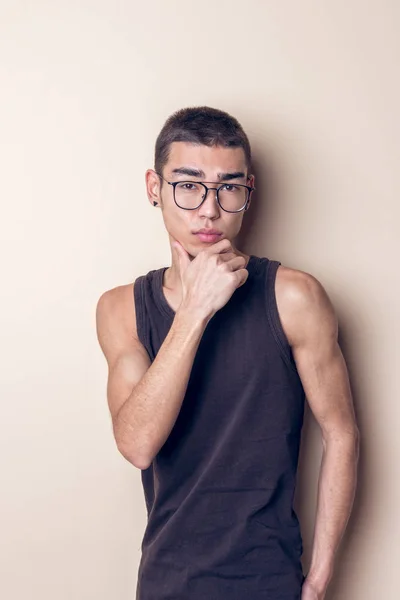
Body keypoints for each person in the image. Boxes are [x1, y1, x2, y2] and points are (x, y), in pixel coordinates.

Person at [95, 106, 360, 600]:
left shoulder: (294, 297)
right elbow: (136, 444)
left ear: (248, 191)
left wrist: (319, 583)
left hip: (270, 581)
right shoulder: (121, 310)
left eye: (229, 188)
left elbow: (341, 433)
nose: (209, 210)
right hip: (165, 581)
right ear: (155, 188)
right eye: (188, 184)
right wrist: (195, 311)